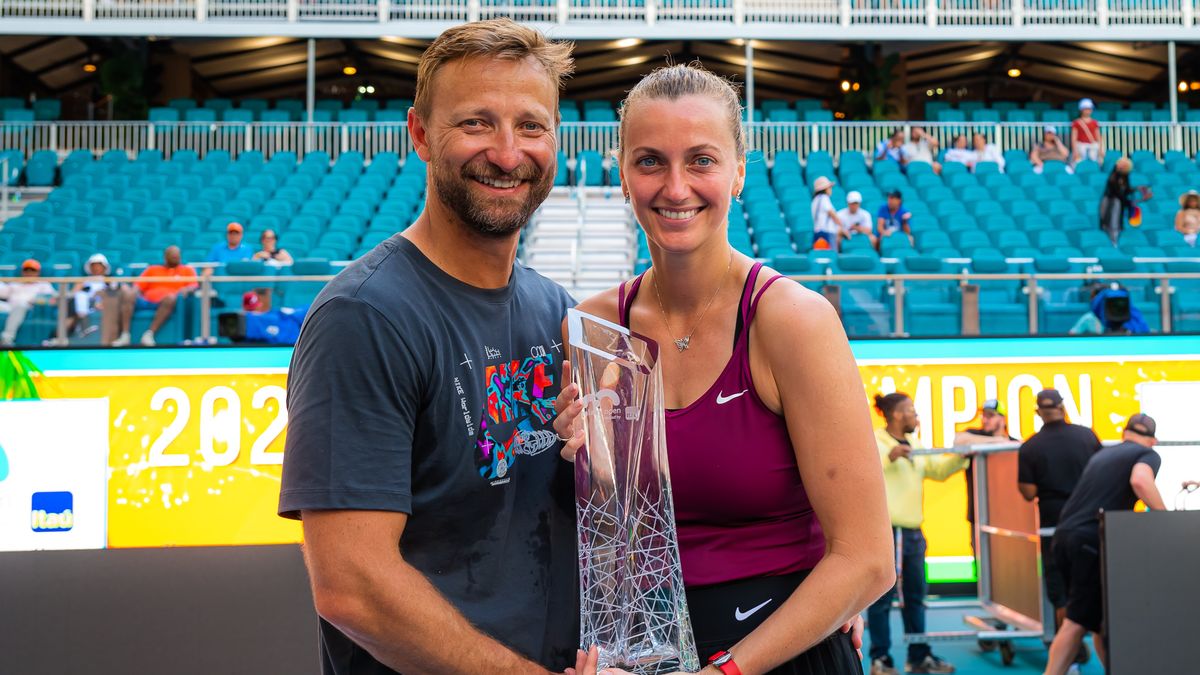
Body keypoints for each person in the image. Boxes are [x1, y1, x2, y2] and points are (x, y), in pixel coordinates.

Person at [554, 63, 894, 675]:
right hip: (644, 658)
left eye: (702, 160)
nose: (675, 187)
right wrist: (576, 453)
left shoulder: (792, 321)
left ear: (738, 171)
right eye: (650, 160)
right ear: (622, 172)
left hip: (782, 653)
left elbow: (868, 559)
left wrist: (725, 672)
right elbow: (596, 538)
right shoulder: (593, 328)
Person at [278, 19, 582, 675]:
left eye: (531, 126)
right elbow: (351, 584)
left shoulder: (558, 311)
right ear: (419, 133)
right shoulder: (364, 316)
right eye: (476, 123)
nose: (507, 153)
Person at [1043, 414, 1165, 675]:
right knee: (1076, 622)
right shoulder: (1146, 454)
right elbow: (1140, 481)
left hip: (1064, 537)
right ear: (1152, 440)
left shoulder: (1103, 455)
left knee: (1098, 620)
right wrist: (1166, 520)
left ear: (1124, 433)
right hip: (1089, 541)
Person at [867, 392, 968, 675]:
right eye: (911, 410)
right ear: (898, 415)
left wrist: (962, 456)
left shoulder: (913, 442)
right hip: (890, 532)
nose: (916, 415)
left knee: (915, 597)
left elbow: (936, 470)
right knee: (882, 599)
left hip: (912, 533)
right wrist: (889, 457)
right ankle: (881, 659)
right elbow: (863, 471)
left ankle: (919, 656)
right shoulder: (875, 440)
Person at [1016, 388, 1102, 631]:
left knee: (1061, 591)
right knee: (1098, 584)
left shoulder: (1031, 446)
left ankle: (1070, 656)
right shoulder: (1087, 437)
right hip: (1090, 521)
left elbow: (1028, 492)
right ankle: (1106, 648)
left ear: (1037, 412)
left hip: (1054, 526)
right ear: (1063, 408)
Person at [952, 398, 1016, 544]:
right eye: (984, 415)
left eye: (990, 416)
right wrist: (998, 443)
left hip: (1007, 515)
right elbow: (958, 442)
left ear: (1003, 419)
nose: (985, 420)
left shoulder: (1013, 442)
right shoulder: (975, 435)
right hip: (979, 513)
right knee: (982, 562)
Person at [111, 245, 198, 347]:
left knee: (170, 298)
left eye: (177, 256)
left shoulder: (187, 270)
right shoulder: (153, 269)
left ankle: (149, 334)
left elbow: (193, 285)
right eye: (173, 256)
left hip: (167, 302)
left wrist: (186, 289)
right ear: (166, 257)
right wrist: (132, 291)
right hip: (145, 301)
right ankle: (125, 335)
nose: (176, 258)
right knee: (128, 293)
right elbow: (138, 286)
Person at [0, 258, 55, 346]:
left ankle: (6, 339)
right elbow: (3, 293)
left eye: (32, 270)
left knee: (21, 305)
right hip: (10, 307)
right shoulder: (15, 283)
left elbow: (52, 299)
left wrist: (35, 300)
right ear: (22, 272)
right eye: (26, 270)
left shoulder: (43, 284)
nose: (29, 273)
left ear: (38, 272)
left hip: (29, 308)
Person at [1099, 158, 1150, 247]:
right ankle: (1112, 241)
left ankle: (1115, 241)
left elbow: (1126, 190)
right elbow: (1117, 193)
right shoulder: (1113, 177)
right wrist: (1131, 202)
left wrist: (1137, 189)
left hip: (1119, 203)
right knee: (1111, 223)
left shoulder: (1125, 177)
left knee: (1117, 223)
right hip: (1111, 203)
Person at [66, 253, 112, 339]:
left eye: (99, 265)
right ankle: (82, 326)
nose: (96, 268)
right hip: (84, 306)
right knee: (80, 296)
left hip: (103, 305)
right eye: (93, 266)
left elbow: (114, 295)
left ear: (105, 267)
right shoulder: (83, 281)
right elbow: (73, 294)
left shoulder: (109, 281)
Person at [811, 176, 843, 251]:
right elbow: (833, 214)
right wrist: (841, 225)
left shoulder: (814, 200)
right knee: (830, 256)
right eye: (829, 187)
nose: (831, 190)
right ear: (825, 189)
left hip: (817, 232)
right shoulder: (824, 198)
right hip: (827, 233)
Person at [1070, 98, 1103, 165]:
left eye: (1089, 109)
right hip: (1081, 147)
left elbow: (1098, 136)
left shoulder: (1094, 122)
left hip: (1093, 147)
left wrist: (1101, 148)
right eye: (1086, 109)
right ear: (1081, 110)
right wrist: (1075, 151)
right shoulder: (1076, 122)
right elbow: (1074, 138)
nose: (1088, 111)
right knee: (1080, 164)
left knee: (1094, 164)